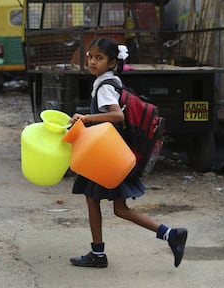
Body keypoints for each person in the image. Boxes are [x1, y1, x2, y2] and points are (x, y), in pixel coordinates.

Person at [68, 37, 187, 268]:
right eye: (90, 57)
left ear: (112, 62)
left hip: (106, 155)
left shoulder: (104, 87)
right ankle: (169, 235)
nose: (93, 62)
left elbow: (116, 116)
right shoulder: (112, 81)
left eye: (99, 58)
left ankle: (100, 254)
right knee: (112, 206)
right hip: (112, 152)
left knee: (103, 203)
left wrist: (86, 118)